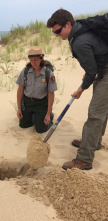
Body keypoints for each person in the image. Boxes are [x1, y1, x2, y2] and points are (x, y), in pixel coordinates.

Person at [47, 9, 108, 170]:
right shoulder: (79, 28)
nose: (57, 35)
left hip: (105, 72)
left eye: (58, 31)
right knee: (101, 111)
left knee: (95, 114)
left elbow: (90, 72)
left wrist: (81, 89)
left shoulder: (79, 41)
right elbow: (93, 65)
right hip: (102, 69)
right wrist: (92, 71)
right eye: (54, 33)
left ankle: (84, 158)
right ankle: (94, 142)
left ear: (68, 24)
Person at [16, 46, 57, 133]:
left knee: (40, 130)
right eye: (31, 60)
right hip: (27, 102)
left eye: (36, 60)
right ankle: (35, 116)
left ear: (41, 59)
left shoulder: (48, 73)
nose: (33, 62)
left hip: (41, 104)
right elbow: (20, 90)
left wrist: (48, 114)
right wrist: (19, 108)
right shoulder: (25, 70)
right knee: (23, 125)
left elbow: (51, 94)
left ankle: (48, 116)